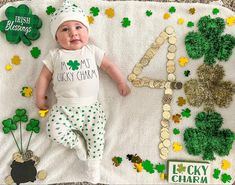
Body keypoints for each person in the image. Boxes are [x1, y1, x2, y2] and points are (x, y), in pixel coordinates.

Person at [35, 0, 130, 183]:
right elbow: (44, 77)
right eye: (65, 29)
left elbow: (109, 66)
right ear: (56, 38)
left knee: (97, 138)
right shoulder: (55, 55)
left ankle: (93, 168)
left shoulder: (92, 51)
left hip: (90, 110)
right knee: (53, 130)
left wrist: (120, 82)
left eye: (78, 27)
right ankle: (76, 142)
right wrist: (40, 97)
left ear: (87, 31)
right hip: (64, 109)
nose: (73, 33)